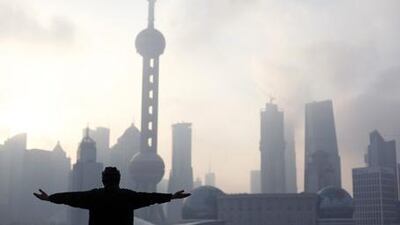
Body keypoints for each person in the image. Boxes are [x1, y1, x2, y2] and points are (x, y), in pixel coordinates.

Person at [34, 167, 190, 225]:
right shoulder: (128, 197)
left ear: (103, 180)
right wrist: (172, 196)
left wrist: (50, 198)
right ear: (119, 179)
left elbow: (71, 197)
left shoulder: (94, 196)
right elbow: (150, 197)